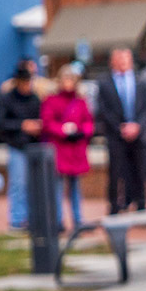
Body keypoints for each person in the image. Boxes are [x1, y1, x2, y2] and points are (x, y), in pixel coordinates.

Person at [93, 47, 146, 212]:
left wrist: (137, 126)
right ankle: (114, 205)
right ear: (112, 62)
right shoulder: (104, 83)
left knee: (140, 171)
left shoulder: (141, 81)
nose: (123, 62)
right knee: (115, 172)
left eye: (125, 59)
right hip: (116, 135)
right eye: (119, 59)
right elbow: (102, 109)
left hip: (138, 134)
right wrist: (120, 127)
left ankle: (140, 204)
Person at [40, 64, 94, 231]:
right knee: (57, 188)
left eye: (71, 79)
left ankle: (78, 220)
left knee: (75, 188)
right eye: (65, 79)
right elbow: (47, 122)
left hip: (75, 150)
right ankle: (57, 221)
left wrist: (81, 132)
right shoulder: (52, 100)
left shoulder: (80, 101)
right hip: (59, 149)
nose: (68, 82)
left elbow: (89, 121)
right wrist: (63, 130)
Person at [0, 64, 43, 231]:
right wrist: (21, 125)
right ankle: (16, 219)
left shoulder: (34, 98)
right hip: (16, 146)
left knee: (32, 184)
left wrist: (37, 126)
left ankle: (30, 218)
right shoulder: (8, 99)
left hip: (33, 145)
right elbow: (0, 123)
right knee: (18, 184)